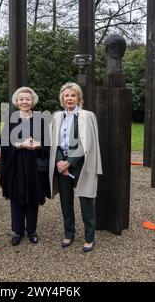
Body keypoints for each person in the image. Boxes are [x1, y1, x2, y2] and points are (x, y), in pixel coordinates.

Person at [49, 82, 102, 252]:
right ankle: (69, 234)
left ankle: (89, 236)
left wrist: (69, 162)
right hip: (61, 164)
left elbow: (87, 143)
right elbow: (54, 142)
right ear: (62, 99)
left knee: (86, 200)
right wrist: (59, 162)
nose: (69, 98)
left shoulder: (87, 116)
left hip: (81, 163)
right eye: (66, 95)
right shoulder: (57, 116)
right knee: (66, 201)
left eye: (73, 95)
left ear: (78, 98)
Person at [0, 87, 51, 246]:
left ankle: (32, 230)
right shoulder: (11, 119)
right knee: (16, 197)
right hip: (16, 164)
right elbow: (4, 144)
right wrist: (19, 144)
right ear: (16, 101)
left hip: (35, 165)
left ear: (32, 101)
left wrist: (38, 145)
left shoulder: (41, 120)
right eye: (21, 99)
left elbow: (48, 145)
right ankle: (17, 231)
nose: (24, 101)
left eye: (27, 99)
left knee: (34, 196)